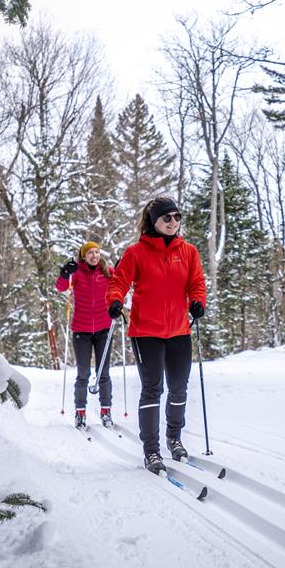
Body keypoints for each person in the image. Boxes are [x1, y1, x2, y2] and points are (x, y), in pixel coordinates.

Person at [106, 197, 206, 475]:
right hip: (145, 332)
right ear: (154, 221)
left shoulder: (188, 252)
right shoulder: (136, 252)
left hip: (179, 331)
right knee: (152, 389)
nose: (173, 222)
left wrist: (198, 301)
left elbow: (196, 282)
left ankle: (174, 438)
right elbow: (119, 281)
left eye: (177, 216)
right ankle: (151, 450)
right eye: (167, 217)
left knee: (178, 387)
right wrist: (114, 300)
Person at [56, 241, 114, 429]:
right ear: (83, 256)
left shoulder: (107, 271)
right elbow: (61, 287)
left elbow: (122, 282)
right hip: (81, 330)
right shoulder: (77, 273)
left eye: (96, 252)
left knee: (103, 373)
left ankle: (106, 411)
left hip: (104, 329)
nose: (94, 255)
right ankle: (80, 412)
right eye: (90, 253)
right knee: (83, 373)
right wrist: (65, 273)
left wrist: (123, 267)